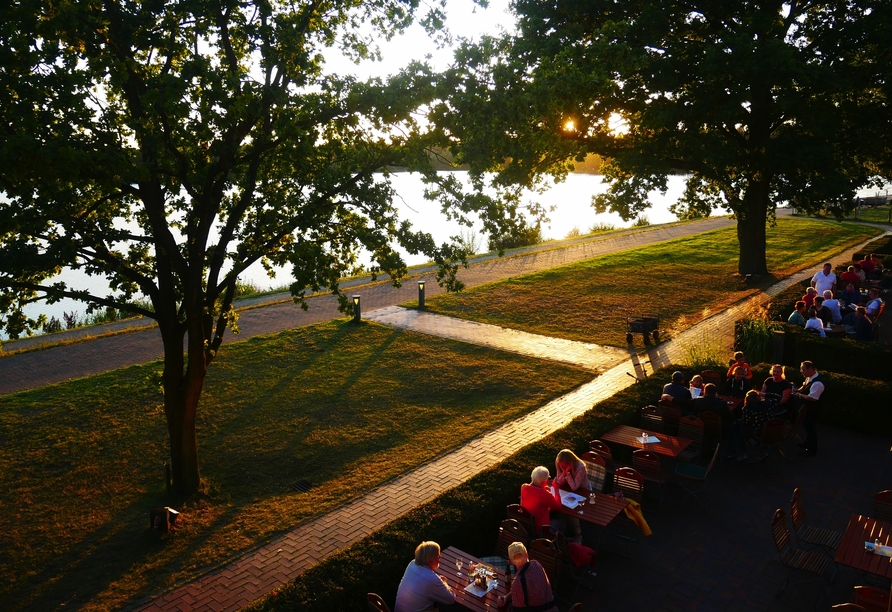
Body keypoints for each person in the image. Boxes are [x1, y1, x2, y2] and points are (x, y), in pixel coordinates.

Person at [496, 542, 558, 612]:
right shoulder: (537, 564)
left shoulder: (517, 583)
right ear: (527, 554)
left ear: (511, 561)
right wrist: (506, 598)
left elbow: (517, 609)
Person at [394, 541, 456, 612]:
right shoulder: (431, 579)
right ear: (430, 561)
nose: (440, 557)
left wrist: (437, 582)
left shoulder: (412, 564)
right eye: (438, 555)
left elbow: (423, 581)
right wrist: (444, 583)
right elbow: (451, 599)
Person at [792, 360, 824, 457]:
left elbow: (812, 398)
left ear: (810, 369)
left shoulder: (818, 383)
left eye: (803, 370)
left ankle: (812, 449)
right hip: (806, 409)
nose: (802, 371)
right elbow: (804, 386)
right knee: (807, 426)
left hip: (812, 410)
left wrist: (799, 395)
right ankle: (807, 443)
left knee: (811, 428)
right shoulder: (809, 378)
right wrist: (798, 390)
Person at [520, 466, 562, 531]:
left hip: (527, 526)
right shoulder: (545, 494)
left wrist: (545, 487)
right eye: (548, 478)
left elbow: (537, 493)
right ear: (543, 482)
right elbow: (557, 506)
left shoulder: (524, 487)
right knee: (562, 522)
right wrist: (556, 489)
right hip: (541, 529)